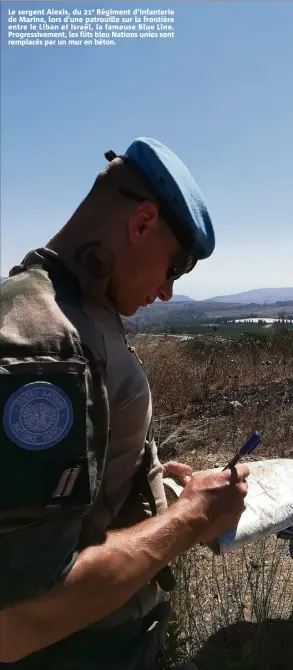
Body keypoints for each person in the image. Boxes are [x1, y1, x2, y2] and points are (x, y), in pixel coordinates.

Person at [0, 137, 249, 669]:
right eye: (176, 267)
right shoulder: (46, 341)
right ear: (141, 223)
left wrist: (156, 487)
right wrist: (190, 517)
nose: (166, 292)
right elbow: (19, 620)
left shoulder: (81, 309)